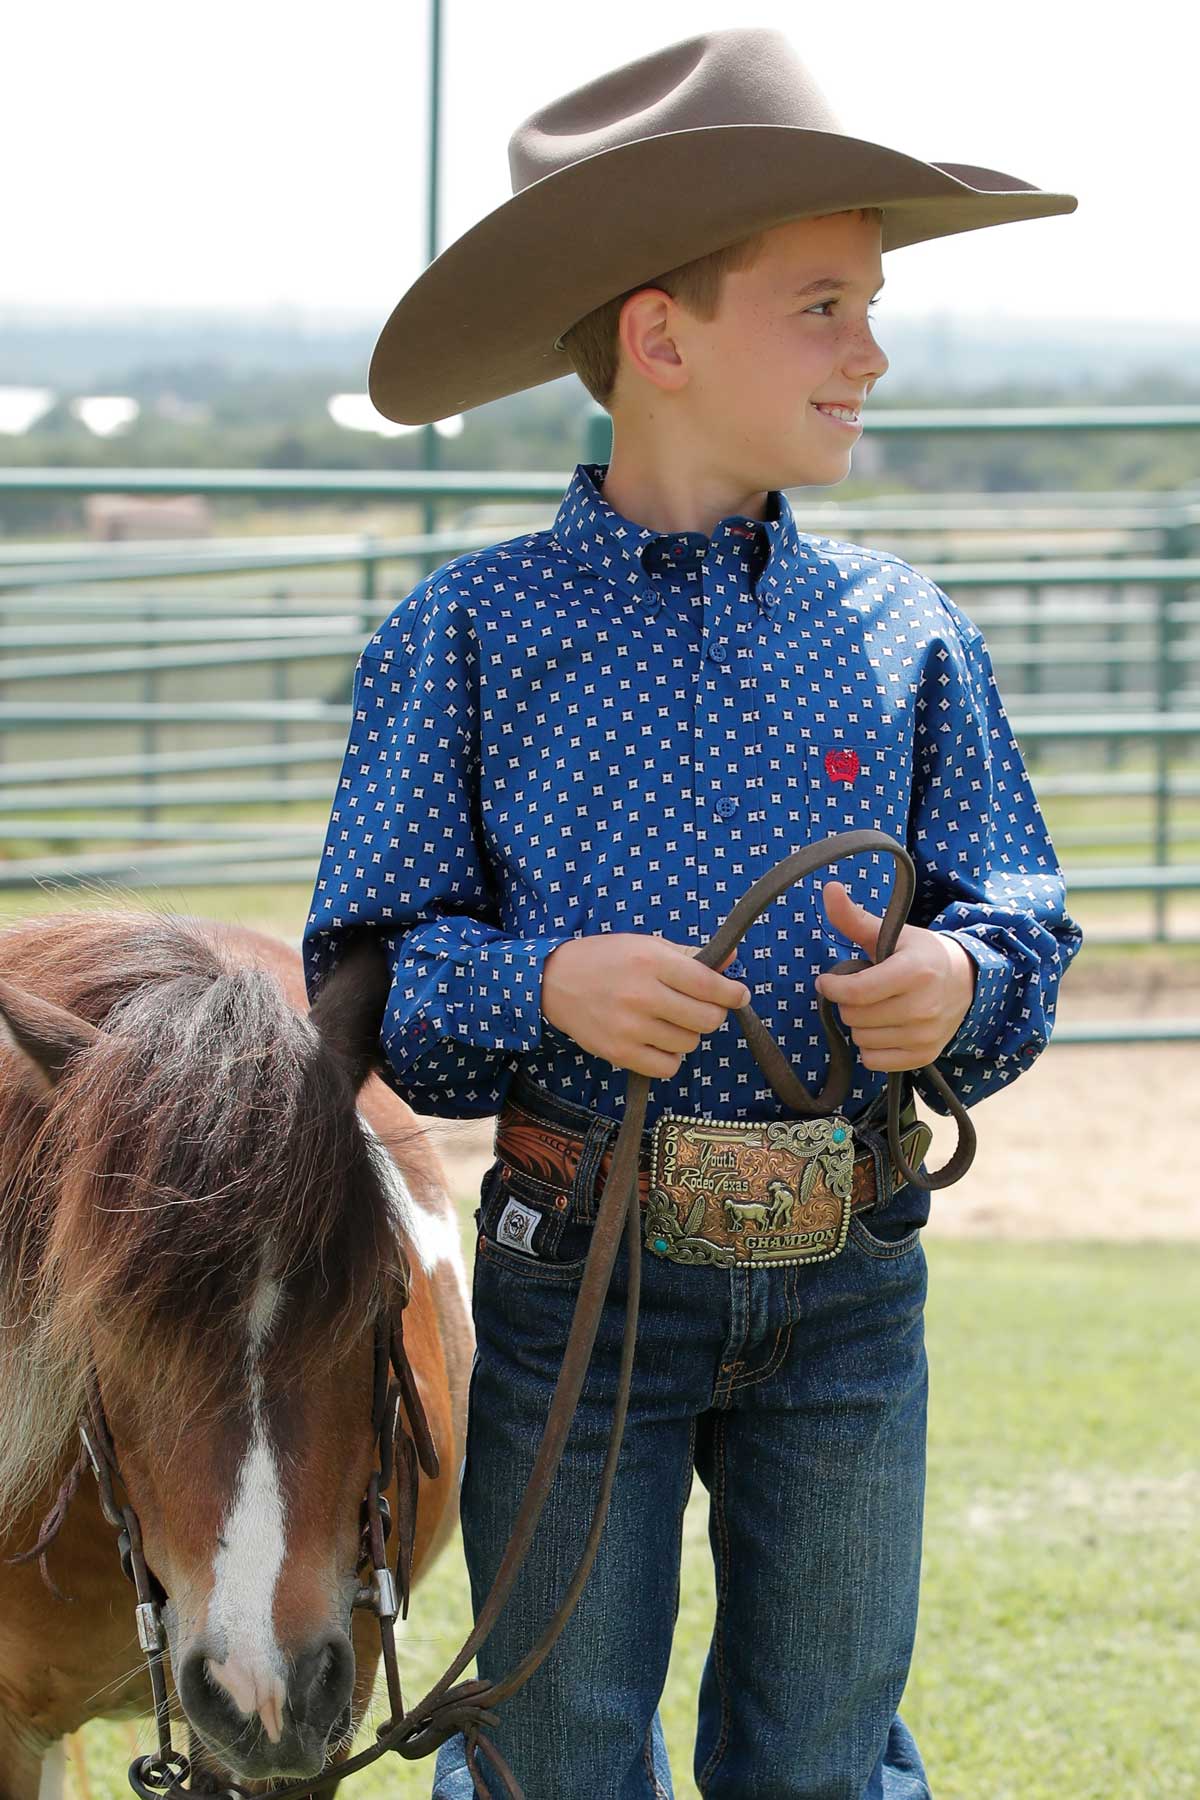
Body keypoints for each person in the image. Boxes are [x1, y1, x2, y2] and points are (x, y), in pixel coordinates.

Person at [302, 25, 1083, 1799]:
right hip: (585, 1270)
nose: (873, 348)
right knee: (559, 1746)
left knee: (818, 1748)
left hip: (853, 1269)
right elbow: (371, 980)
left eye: (868, 301)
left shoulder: (904, 633)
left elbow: (1023, 912)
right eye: (823, 305)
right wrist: (547, 987)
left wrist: (959, 978)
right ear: (660, 336)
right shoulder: (475, 639)